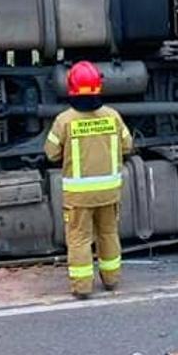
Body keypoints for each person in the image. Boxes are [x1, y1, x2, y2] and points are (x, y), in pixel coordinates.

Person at [43, 61, 133, 299]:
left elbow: (51, 153)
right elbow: (128, 145)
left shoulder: (64, 121)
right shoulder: (113, 116)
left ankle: (82, 287)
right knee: (108, 233)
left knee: (80, 238)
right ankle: (112, 280)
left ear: (71, 88)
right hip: (109, 192)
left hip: (79, 196)